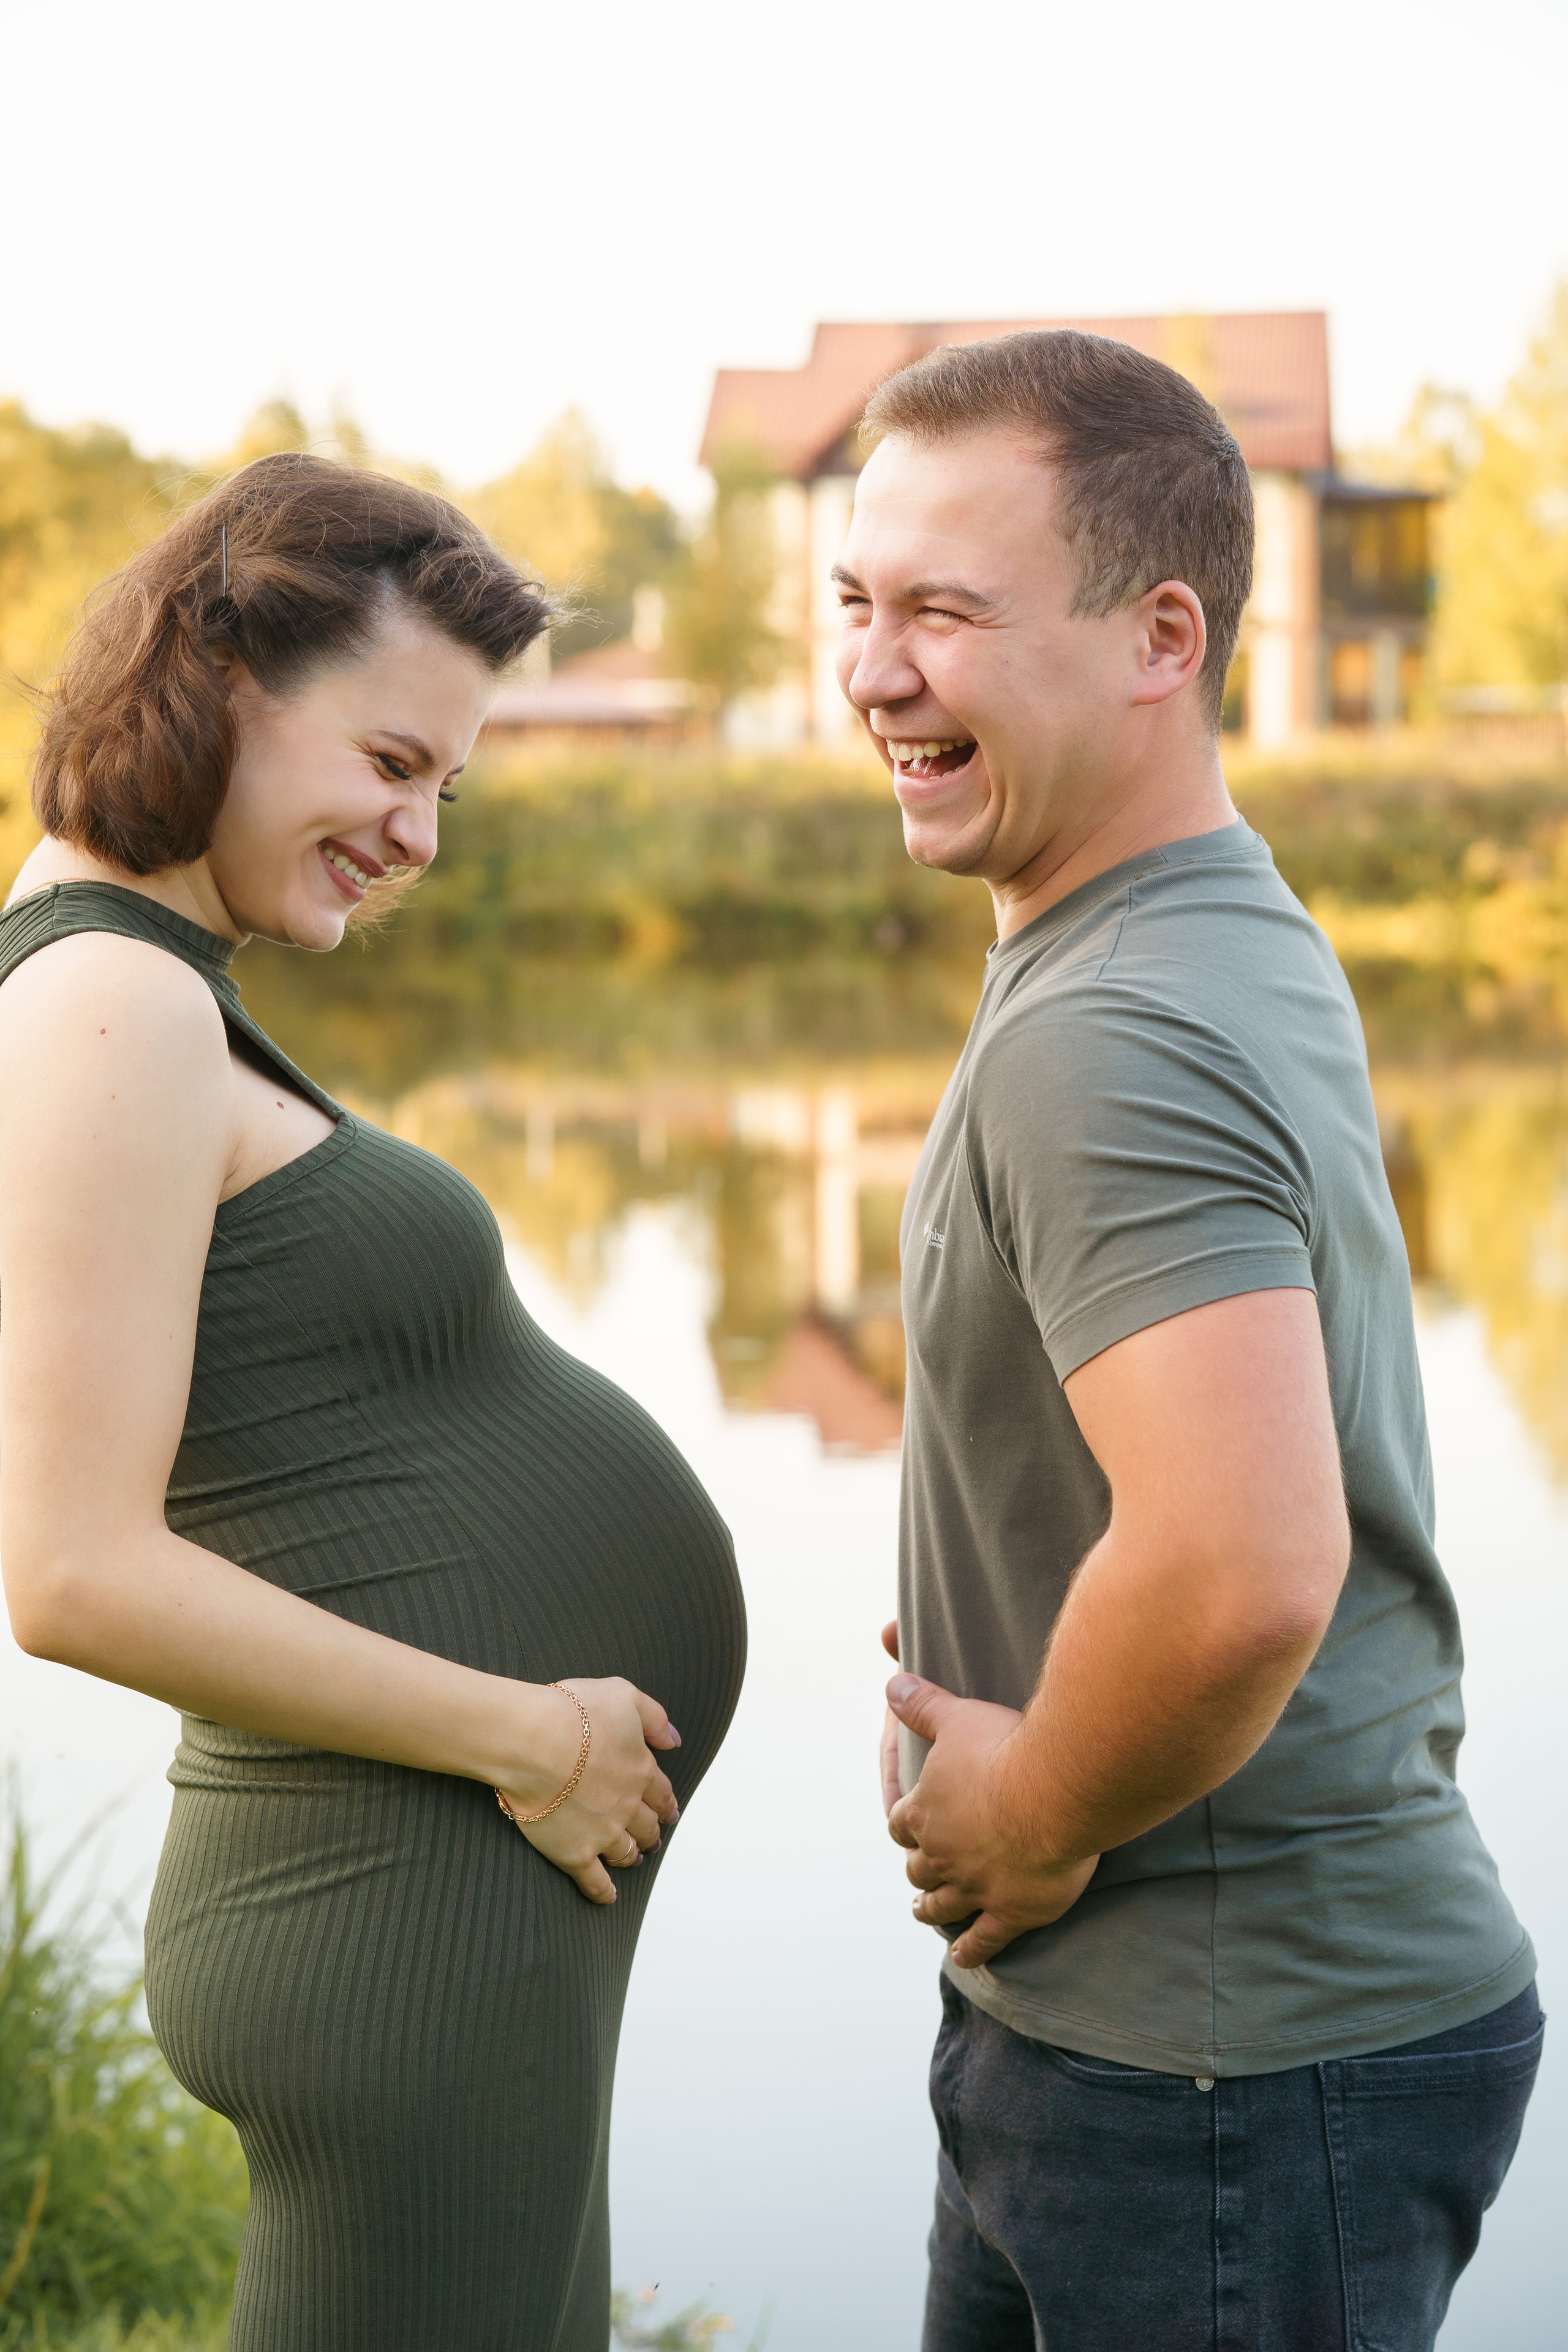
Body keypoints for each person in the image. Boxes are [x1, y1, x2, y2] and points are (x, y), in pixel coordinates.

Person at [832, 332, 1541, 2352]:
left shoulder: (1110, 1026)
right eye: (860, 605)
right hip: (1151, 2044)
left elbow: (1242, 1570)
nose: (877, 670)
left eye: (947, 613)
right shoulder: (1183, 921)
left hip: (1221, 2069)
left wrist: (1031, 1809)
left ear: (1163, 636)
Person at [0, 454, 746, 2352]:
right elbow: (69, 1571)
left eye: (450, 787)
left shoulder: (150, 981)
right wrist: (524, 1734)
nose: (423, 835)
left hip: (443, 1890)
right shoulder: (110, 1005)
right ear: (227, 681)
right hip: (409, 1891)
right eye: (394, 764)